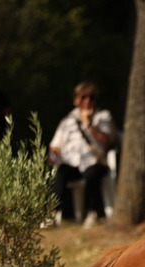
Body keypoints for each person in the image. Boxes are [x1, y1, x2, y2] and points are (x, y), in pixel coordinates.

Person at [48, 81, 118, 227]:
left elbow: (107, 141)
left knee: (92, 173)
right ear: (76, 100)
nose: (87, 101)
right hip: (72, 162)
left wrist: (89, 125)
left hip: (96, 161)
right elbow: (55, 145)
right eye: (84, 97)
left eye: (91, 97)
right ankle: (53, 215)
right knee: (60, 172)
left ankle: (92, 213)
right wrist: (53, 154)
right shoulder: (67, 121)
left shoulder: (103, 116)